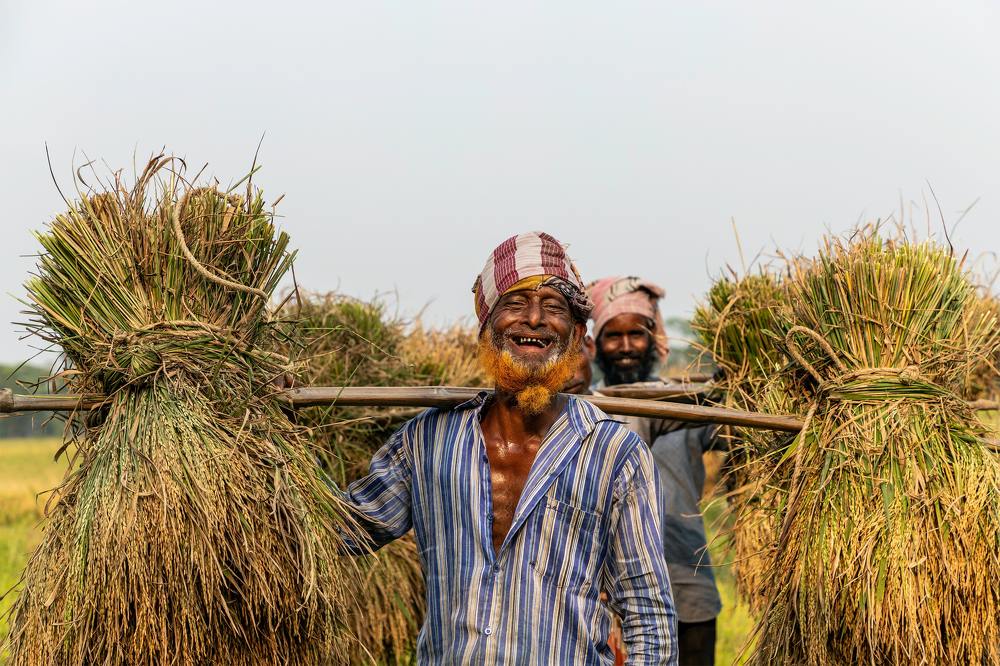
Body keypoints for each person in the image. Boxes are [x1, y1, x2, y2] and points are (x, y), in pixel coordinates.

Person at [344, 234, 677, 665]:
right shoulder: (426, 443)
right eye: (515, 303)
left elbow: (650, 617)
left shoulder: (615, 453)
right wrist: (273, 433)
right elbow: (342, 529)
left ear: (577, 335)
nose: (535, 319)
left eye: (554, 307)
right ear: (487, 325)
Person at [588, 276, 723, 666]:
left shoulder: (685, 404)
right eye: (614, 336)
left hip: (685, 570)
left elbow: (733, 434)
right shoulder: (585, 407)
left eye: (637, 334)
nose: (627, 346)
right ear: (596, 343)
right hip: (606, 585)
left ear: (653, 337)